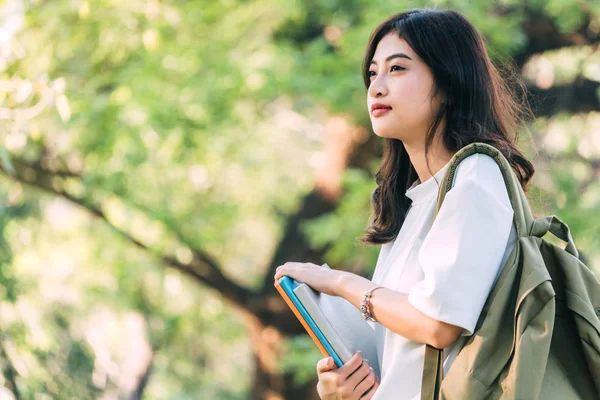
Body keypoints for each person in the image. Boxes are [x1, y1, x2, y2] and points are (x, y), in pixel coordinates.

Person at [273, 8, 536, 400]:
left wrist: (341, 283)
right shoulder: (415, 204)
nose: (376, 87)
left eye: (397, 69)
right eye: (372, 73)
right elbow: (400, 364)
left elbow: (438, 324)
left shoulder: (476, 176)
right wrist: (343, 388)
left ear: (448, 82)